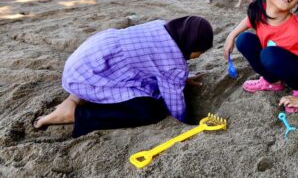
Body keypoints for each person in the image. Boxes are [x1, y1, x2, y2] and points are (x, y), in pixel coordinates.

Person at [34, 16, 214, 137]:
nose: (200, 55)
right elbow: (174, 102)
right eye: (201, 51)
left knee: (138, 79)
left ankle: (74, 98)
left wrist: (181, 78)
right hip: (91, 76)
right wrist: (184, 122)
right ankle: (74, 114)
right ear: (191, 45)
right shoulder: (173, 62)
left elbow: (152, 64)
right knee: (150, 110)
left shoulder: (162, 27)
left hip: (84, 64)